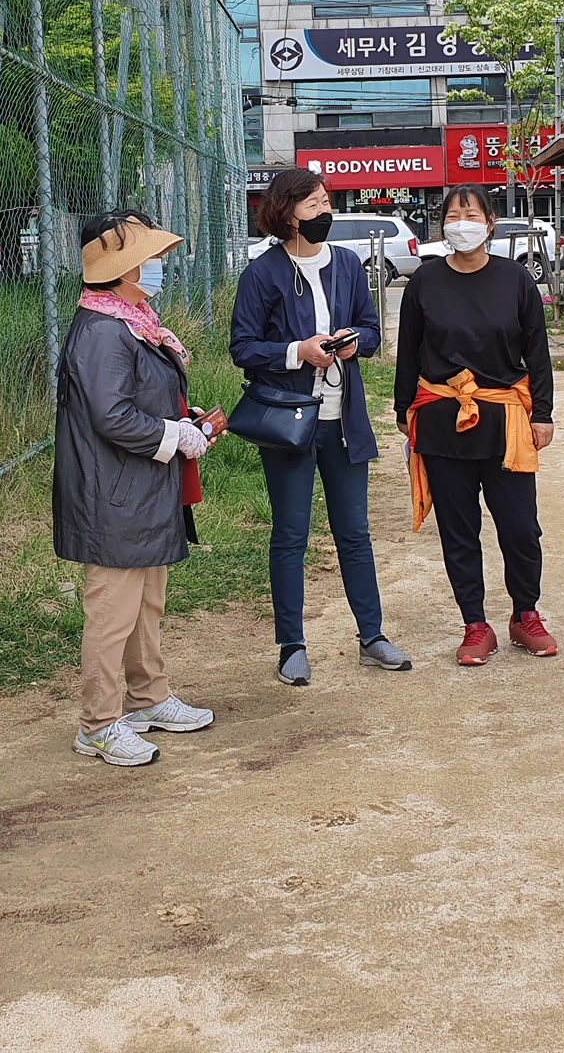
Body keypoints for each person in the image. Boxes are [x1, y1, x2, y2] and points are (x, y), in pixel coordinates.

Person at [230, 167, 411, 686]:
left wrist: (356, 343)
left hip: (344, 420)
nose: (324, 211)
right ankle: (292, 645)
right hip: (289, 423)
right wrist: (297, 351)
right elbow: (243, 347)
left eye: (327, 202)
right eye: (313, 204)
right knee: (291, 535)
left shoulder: (348, 264)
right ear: (285, 213)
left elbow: (372, 329)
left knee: (355, 532)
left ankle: (372, 636)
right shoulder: (262, 273)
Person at [53, 210, 216, 765]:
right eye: (150, 258)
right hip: (114, 494)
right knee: (113, 612)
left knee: (146, 603)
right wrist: (173, 434)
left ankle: (148, 697)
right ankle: (98, 723)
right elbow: (112, 415)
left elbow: (135, 398)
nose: (159, 266)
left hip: (140, 488)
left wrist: (182, 418)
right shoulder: (104, 330)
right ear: (123, 269)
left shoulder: (131, 320)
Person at [395, 183, 557, 666]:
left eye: (471, 215)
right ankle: (475, 624)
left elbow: (537, 351)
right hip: (442, 419)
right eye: (453, 215)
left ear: (490, 224)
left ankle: (525, 614)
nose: (461, 224)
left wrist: (543, 413)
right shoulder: (425, 281)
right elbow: (408, 351)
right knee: (458, 528)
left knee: (521, 528)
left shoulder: (516, 280)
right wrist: (405, 409)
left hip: (505, 420)